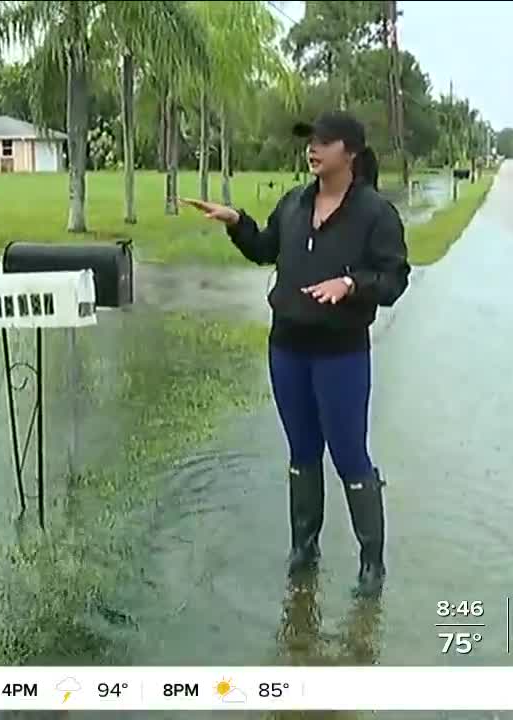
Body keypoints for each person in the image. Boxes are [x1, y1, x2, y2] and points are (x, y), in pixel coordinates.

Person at [183, 110, 410, 598]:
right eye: (310, 141)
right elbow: (266, 248)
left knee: (349, 455)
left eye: (324, 142)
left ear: (348, 153)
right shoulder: (293, 203)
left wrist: (350, 284)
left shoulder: (374, 213)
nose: (313, 148)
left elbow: (393, 280)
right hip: (287, 349)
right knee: (302, 451)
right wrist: (237, 222)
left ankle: (372, 563)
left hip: (341, 355)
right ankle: (304, 547)